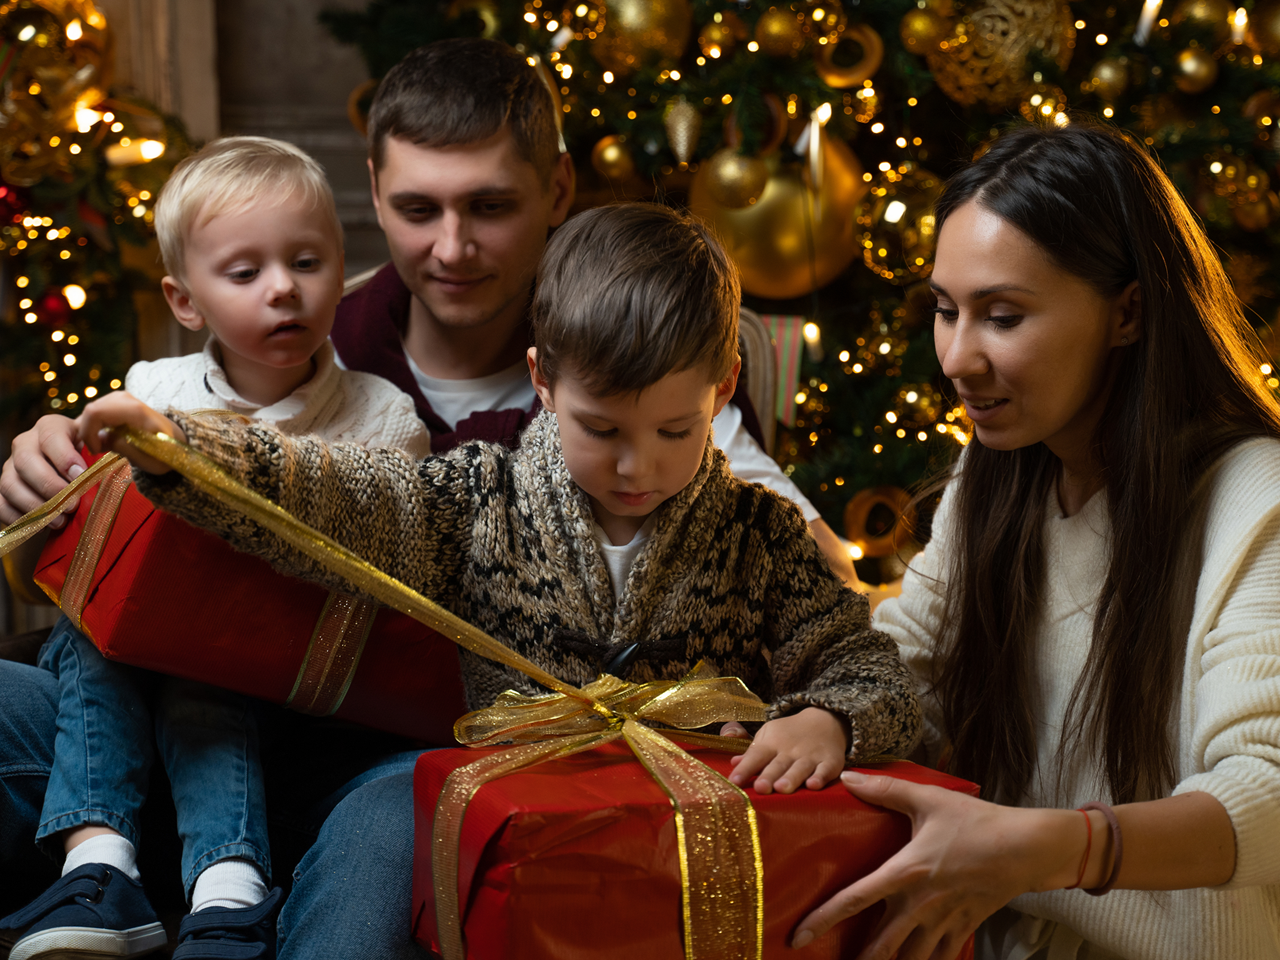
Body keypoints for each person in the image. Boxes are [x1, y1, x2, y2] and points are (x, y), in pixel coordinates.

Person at [0, 38, 856, 959]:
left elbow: (794, 565)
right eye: (418, 209)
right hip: (201, 703)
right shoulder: (293, 320)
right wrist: (55, 462)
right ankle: (110, 887)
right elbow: (151, 499)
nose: (451, 248)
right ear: (374, 196)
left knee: (392, 826)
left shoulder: (628, 367)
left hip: (397, 748)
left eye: (490, 206)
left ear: (558, 190)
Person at [76, 201, 922, 834]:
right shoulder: (479, 501)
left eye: (676, 430)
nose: (640, 467)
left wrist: (830, 717)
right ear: (544, 382)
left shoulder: (764, 537)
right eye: (602, 430)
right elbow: (342, 495)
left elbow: (871, 667)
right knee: (371, 850)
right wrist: (189, 450)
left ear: (725, 389)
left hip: (687, 840)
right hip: (518, 826)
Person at [789, 122, 1280, 960]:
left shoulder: (1253, 498)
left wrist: (1048, 849)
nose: (957, 358)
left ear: (1128, 312)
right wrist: (831, 715)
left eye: (1003, 316)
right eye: (946, 311)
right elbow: (913, 666)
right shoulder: (996, 473)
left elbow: (1265, 794)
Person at [0, 136, 429, 960]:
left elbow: (385, 589)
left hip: (274, 693)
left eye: (308, 262)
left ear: (342, 269)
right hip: (115, 669)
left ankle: (227, 891)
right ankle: (97, 866)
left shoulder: (385, 420)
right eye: (245, 273)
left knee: (206, 644)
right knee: (103, 628)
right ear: (185, 299)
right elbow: (74, 554)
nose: (284, 290)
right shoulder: (148, 393)